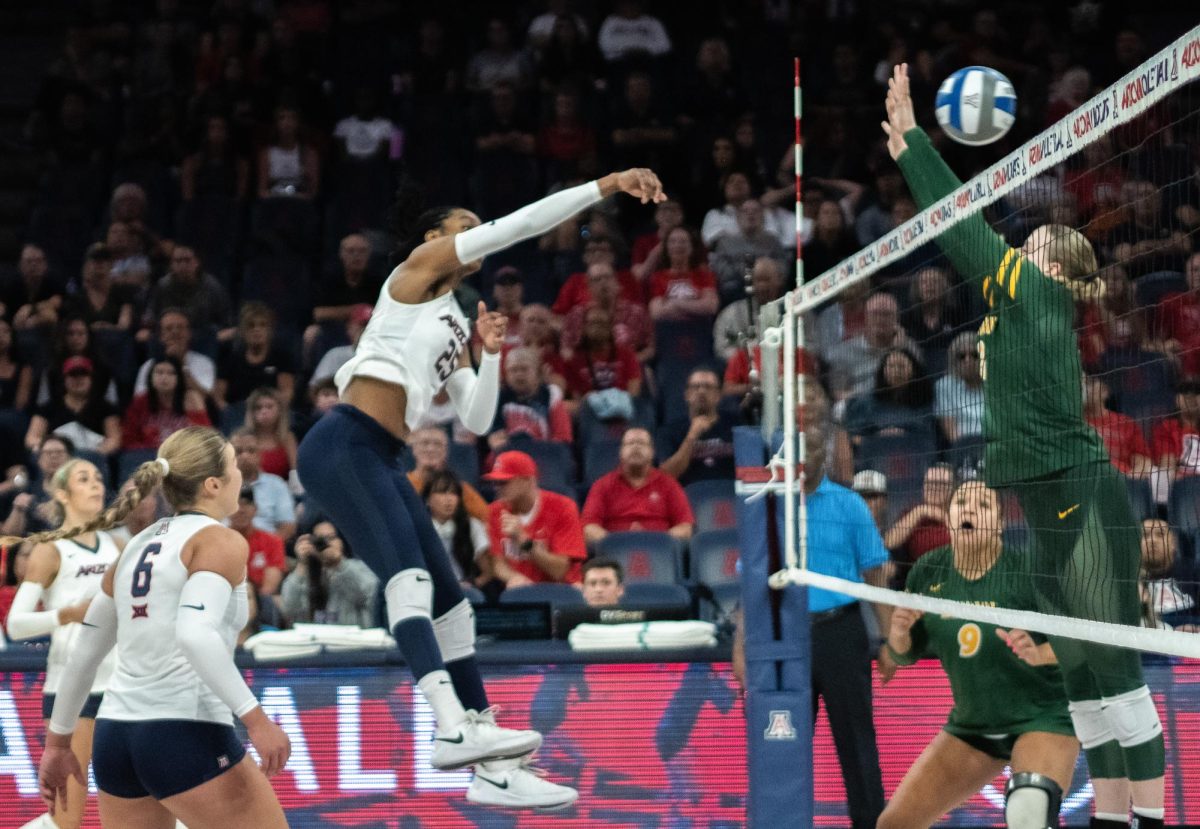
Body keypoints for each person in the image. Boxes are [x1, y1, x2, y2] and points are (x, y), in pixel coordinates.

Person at [296, 167, 662, 808]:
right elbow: (521, 224)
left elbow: (475, 418)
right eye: (465, 228)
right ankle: (447, 726)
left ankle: (490, 761)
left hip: (380, 455)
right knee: (407, 581)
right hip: (344, 442)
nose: (477, 238)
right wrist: (604, 186)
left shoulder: (455, 319)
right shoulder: (415, 271)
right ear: (436, 236)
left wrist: (488, 353)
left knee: (453, 604)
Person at [885, 62, 1165, 829]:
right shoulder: (1020, 304)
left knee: (1116, 674)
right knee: (1084, 683)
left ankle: (1151, 818)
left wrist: (914, 144)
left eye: (1037, 237)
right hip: (1043, 498)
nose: (1025, 239)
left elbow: (960, 224)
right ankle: (1112, 818)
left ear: (1054, 265)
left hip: (1078, 487)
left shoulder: (1034, 290)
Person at [34, 427, 291, 828]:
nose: (241, 474)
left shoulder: (134, 546)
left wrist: (57, 743)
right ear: (212, 484)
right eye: (233, 466)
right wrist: (256, 719)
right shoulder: (220, 540)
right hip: (183, 728)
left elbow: (84, 650)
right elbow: (195, 634)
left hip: (116, 737)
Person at [879, 480, 1079, 829]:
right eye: (962, 502)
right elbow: (907, 655)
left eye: (983, 505)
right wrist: (898, 637)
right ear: (949, 515)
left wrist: (1041, 652)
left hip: (1044, 718)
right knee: (894, 824)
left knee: (1028, 813)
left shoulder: (1029, 572)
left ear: (1000, 525)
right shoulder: (929, 570)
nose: (969, 509)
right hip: (973, 726)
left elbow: (1081, 647)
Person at [5, 455, 122, 829]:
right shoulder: (50, 549)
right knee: (66, 818)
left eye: (98, 478)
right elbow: (16, 625)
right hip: (72, 688)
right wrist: (68, 614)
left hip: (125, 686)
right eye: (84, 479)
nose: (96, 485)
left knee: (146, 804)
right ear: (62, 493)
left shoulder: (119, 545)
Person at [484, 451, 587, 588]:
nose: (497, 488)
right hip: (520, 594)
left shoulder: (563, 507)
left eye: (504, 482)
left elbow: (560, 571)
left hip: (561, 591)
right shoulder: (494, 512)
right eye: (495, 483)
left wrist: (523, 540)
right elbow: (498, 564)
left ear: (528, 480)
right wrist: (513, 577)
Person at [581, 426, 694, 544]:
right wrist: (618, 543)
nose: (636, 447)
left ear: (652, 452)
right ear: (620, 452)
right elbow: (588, 528)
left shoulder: (669, 484)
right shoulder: (602, 485)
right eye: (630, 443)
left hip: (658, 554)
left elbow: (685, 528)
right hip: (615, 555)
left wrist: (652, 541)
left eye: (642, 443)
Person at [281, 521, 379, 627]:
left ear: (341, 541)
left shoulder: (359, 567)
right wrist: (303, 564)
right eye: (320, 540)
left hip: (351, 637)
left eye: (331, 538)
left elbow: (367, 597)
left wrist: (339, 564)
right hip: (313, 638)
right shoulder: (304, 572)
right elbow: (289, 608)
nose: (327, 543)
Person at [26, 356, 121, 456]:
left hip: (91, 459)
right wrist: (54, 448)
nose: (78, 379)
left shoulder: (105, 408)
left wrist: (95, 452)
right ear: (64, 379)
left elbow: (114, 440)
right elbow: (31, 439)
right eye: (73, 375)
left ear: (91, 379)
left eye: (83, 374)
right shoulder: (48, 407)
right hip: (56, 458)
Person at [659, 368, 736, 485]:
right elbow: (666, 476)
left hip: (729, 497)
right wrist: (691, 436)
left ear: (718, 396)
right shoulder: (670, 431)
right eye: (695, 387)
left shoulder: (735, 426)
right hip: (688, 499)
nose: (701, 391)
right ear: (687, 395)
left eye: (708, 387)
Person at [215, 303, 297, 410]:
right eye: (251, 325)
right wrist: (230, 412)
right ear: (243, 332)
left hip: (272, 412)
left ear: (269, 330)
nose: (256, 329)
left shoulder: (281, 357)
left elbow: (286, 392)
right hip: (239, 413)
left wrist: (272, 411)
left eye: (262, 325)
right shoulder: (231, 359)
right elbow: (218, 396)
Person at [121, 356, 212, 451]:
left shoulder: (191, 399)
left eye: (171, 373)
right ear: (150, 377)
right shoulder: (140, 402)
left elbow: (204, 436)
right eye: (159, 372)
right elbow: (128, 440)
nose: (164, 377)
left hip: (183, 456)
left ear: (180, 378)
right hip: (147, 457)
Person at [422, 470, 493, 590]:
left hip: (464, 591)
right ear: (428, 499)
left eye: (453, 493)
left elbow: (487, 573)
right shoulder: (420, 529)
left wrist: (471, 586)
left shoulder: (472, 526)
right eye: (442, 492)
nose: (449, 499)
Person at [883, 463, 954, 582]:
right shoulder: (912, 513)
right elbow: (889, 542)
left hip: (951, 578)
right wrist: (920, 511)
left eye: (941, 484)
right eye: (930, 483)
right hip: (918, 581)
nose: (935, 489)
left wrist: (944, 517)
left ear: (952, 488)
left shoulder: (961, 513)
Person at [407, 426, 491, 523]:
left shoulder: (459, 488)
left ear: (445, 452)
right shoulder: (402, 485)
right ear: (414, 449)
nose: (430, 449)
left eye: (437, 444)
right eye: (425, 443)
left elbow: (488, 519)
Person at [133, 309, 217, 397]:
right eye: (169, 328)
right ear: (161, 336)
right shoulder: (148, 366)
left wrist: (180, 365)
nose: (175, 332)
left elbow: (207, 398)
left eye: (180, 327)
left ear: (189, 334)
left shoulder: (204, 363)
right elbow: (140, 400)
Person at [230, 430, 296, 542]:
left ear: (260, 455)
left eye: (251, 451)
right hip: (226, 548)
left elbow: (288, 526)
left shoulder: (277, 484)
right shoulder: (218, 485)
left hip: (266, 550)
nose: (245, 456)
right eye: (239, 451)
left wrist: (268, 547)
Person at [1083, 375, 1152, 479]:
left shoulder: (1125, 423)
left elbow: (1142, 460)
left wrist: (1132, 478)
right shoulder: (1073, 424)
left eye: (1089, 383)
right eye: (1081, 385)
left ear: (1104, 391)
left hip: (1122, 482)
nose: (1084, 389)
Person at [228, 488, 284, 609]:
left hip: (259, 602)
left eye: (246, 504)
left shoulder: (272, 541)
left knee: (271, 602)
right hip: (224, 599)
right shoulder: (217, 540)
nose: (241, 510)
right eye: (236, 504)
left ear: (256, 509)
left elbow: (269, 586)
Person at [1139, 518, 1199, 631]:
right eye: (1145, 535)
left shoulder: (1194, 571)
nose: (1152, 540)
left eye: (1160, 535)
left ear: (1173, 543)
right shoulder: (1128, 579)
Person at [935, 331, 985, 444]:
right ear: (954, 360)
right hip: (962, 448)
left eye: (974, 355)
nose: (968, 360)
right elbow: (951, 430)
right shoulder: (944, 387)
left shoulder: (995, 385)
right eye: (961, 356)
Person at [242, 387, 297, 481]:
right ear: (252, 413)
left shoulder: (288, 438)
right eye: (258, 408)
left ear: (280, 411)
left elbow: (295, 471)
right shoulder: (243, 439)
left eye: (269, 407)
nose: (264, 412)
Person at [1151, 379, 1200, 484]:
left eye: (1196, 392)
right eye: (1184, 392)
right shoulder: (1165, 428)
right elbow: (1167, 464)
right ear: (1177, 399)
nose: (1190, 396)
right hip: (1183, 485)